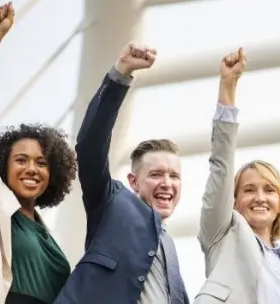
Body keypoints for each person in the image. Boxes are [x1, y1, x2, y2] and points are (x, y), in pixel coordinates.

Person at [0, 3, 77, 304]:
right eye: (20, 160)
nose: (31, 169)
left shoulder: (45, 233)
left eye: (42, 162)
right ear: (2, 166)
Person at [54, 43, 189, 304]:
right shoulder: (112, 203)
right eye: (156, 174)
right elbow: (90, 146)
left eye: (174, 176)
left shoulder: (168, 248)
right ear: (133, 181)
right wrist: (121, 75)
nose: (166, 183)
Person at [194, 48, 280, 304]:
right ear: (233, 202)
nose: (259, 197)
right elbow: (221, 165)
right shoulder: (223, 235)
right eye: (248, 189)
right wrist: (228, 86)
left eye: (268, 190)